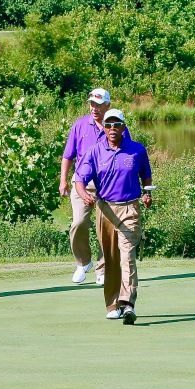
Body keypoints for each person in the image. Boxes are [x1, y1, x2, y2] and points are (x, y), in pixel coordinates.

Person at [74, 109, 152, 324]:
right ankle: (113, 304)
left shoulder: (137, 150)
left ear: (123, 127)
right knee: (110, 259)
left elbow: (146, 176)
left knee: (127, 256)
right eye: (108, 125)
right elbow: (80, 179)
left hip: (129, 208)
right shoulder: (95, 151)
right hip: (105, 209)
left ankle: (128, 304)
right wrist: (84, 195)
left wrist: (147, 194)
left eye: (116, 124)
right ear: (104, 129)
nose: (112, 128)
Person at [59, 88, 119, 285]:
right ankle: (83, 262)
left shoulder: (116, 126)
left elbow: (126, 154)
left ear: (108, 106)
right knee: (78, 223)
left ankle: (103, 269)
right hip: (81, 182)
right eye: (92, 104)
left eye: (99, 105)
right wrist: (63, 180)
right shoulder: (80, 125)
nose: (94, 108)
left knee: (106, 227)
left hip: (108, 184)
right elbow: (68, 155)